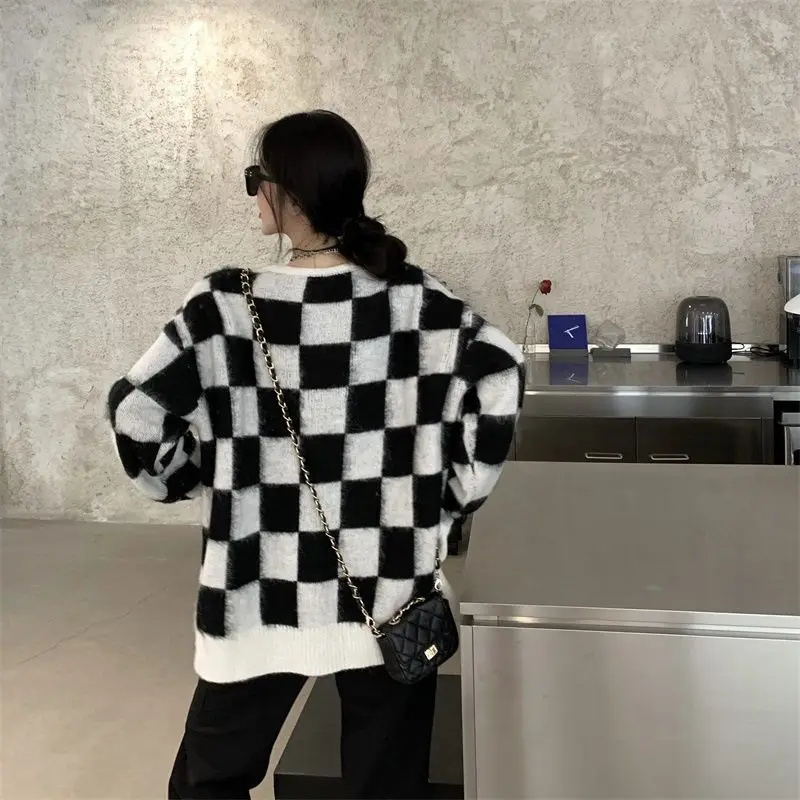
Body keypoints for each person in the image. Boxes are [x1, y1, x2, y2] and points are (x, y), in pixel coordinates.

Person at [107, 109, 525, 800]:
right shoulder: (419, 302)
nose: (254, 195)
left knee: (209, 781)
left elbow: (135, 413)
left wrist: (193, 477)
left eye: (256, 180)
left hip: (256, 593)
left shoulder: (223, 307)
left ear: (288, 193)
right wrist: (443, 505)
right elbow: (501, 378)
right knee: (385, 786)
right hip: (391, 594)